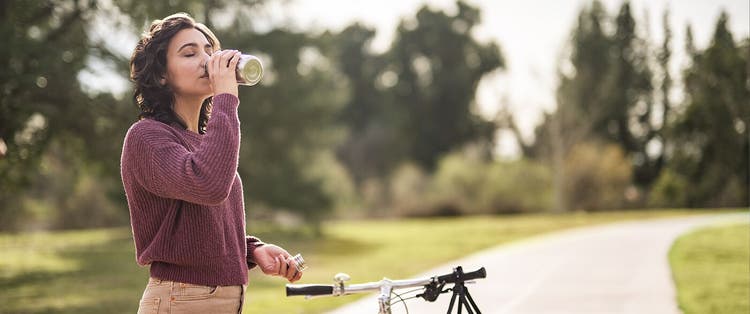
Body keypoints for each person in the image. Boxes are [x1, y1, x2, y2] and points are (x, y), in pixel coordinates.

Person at [121, 13, 302, 314]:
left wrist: (252, 250)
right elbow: (209, 185)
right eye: (190, 53)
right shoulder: (146, 137)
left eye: (208, 50)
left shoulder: (207, 142)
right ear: (161, 74)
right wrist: (226, 97)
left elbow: (200, 223)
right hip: (181, 300)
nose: (206, 60)